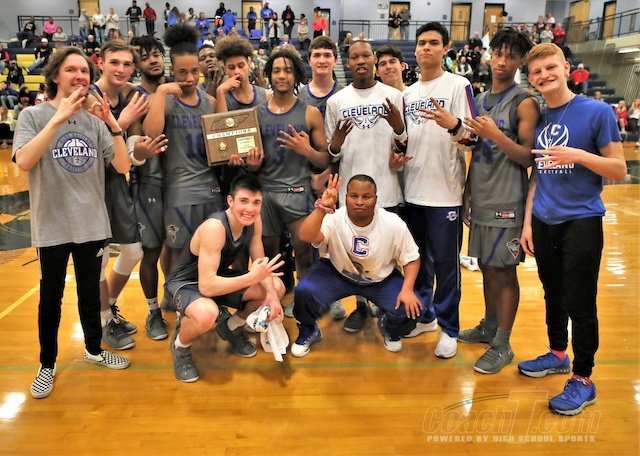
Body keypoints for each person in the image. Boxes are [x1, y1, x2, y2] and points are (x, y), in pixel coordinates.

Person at [12, 47, 132, 399]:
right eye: (71, 70)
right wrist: (58, 119)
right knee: (50, 299)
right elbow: (24, 161)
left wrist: (112, 125)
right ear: (55, 76)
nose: (79, 76)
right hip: (52, 225)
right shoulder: (33, 116)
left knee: (89, 295)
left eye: (84, 71)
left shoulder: (95, 122)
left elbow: (123, 166)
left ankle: (94, 349)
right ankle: (47, 365)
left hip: (92, 223)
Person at [518, 42, 626, 415]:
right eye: (536, 72)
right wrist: (528, 222)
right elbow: (537, 176)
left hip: (581, 220)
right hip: (544, 221)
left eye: (550, 67)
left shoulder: (597, 112)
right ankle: (557, 353)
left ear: (566, 68)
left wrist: (577, 155)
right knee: (553, 293)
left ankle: (583, 378)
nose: (544, 75)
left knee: (580, 301)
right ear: (531, 78)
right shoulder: (539, 116)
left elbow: (619, 168)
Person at [457, 28, 539, 374]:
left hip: (508, 200)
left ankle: (503, 343)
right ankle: (490, 326)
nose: (502, 61)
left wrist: (496, 135)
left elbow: (529, 157)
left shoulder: (525, 101)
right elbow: (477, 151)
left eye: (511, 56)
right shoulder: (479, 99)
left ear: (521, 61)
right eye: (498, 53)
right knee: (487, 266)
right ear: (490, 55)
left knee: (504, 272)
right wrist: (467, 191)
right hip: (482, 197)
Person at [400, 22, 475, 359]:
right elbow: (405, 140)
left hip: (445, 193)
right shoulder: (407, 94)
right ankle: (425, 316)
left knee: (446, 266)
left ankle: (449, 328)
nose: (425, 48)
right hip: (412, 191)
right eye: (421, 43)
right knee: (417, 263)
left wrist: (454, 124)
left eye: (433, 42)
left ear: (446, 48)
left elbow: (473, 137)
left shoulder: (459, 85)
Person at [166, 174, 285, 382]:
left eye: (256, 202)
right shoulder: (215, 227)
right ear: (230, 201)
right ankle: (180, 346)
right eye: (243, 201)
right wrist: (251, 278)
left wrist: (273, 296)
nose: (250, 209)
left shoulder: (255, 221)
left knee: (276, 286)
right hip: (187, 283)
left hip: (217, 277)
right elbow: (206, 287)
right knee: (207, 313)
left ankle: (230, 327)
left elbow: (260, 262)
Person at [324, 39, 407, 331]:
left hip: (387, 187)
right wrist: (335, 144)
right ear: (347, 63)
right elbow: (332, 153)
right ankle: (360, 306)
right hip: (352, 194)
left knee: (388, 254)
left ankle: (386, 307)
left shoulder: (393, 96)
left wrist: (398, 126)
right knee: (355, 254)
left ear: (374, 59)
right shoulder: (336, 102)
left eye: (365, 56)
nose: (360, 61)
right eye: (354, 57)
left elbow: (405, 143)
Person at [291, 174, 422, 356]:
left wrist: (407, 290)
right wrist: (321, 209)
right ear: (346, 197)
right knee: (304, 291)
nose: (359, 201)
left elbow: (412, 258)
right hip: (337, 273)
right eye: (354, 196)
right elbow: (305, 236)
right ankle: (308, 330)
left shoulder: (393, 223)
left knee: (411, 309)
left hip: (380, 280)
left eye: (366, 197)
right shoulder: (334, 217)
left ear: (376, 199)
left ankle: (388, 327)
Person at [143, 24, 223, 275]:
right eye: (182, 72)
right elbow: (151, 136)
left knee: (211, 250)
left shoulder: (210, 102)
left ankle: (206, 294)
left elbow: (221, 145)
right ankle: (175, 296)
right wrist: (161, 92)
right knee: (178, 253)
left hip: (210, 188)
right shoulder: (162, 100)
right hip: (179, 189)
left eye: (194, 71)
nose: (189, 78)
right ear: (171, 70)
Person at [89, 40, 151, 350]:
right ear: (100, 62)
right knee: (98, 260)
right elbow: (95, 151)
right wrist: (121, 122)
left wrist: (140, 152)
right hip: (89, 184)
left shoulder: (131, 96)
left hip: (115, 180)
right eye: (114, 62)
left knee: (133, 252)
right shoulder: (88, 97)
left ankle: (107, 307)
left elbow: (128, 154)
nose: (121, 69)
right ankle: (101, 322)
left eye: (127, 64)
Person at [127, 35, 171, 340]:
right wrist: (140, 150)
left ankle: (176, 296)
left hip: (182, 181)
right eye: (146, 57)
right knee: (151, 251)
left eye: (156, 54)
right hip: (150, 183)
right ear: (138, 65)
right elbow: (135, 144)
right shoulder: (136, 97)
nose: (154, 59)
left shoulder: (177, 91)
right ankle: (153, 311)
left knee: (182, 248)